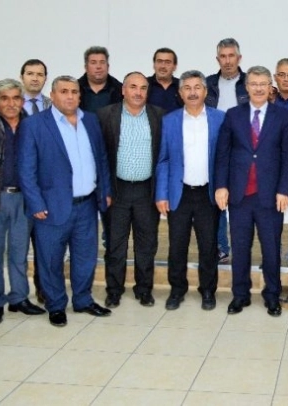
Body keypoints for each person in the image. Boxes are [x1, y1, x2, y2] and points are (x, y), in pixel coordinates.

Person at [18, 75, 113, 327]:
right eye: (64, 91)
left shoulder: (90, 120)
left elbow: (101, 159)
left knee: (85, 257)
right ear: (53, 95)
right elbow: (26, 169)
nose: (70, 96)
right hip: (51, 207)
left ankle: (83, 300)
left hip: (87, 205)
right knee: (51, 260)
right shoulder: (35, 125)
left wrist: (104, 191)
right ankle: (56, 305)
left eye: (74, 91)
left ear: (80, 96)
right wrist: (36, 203)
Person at [215, 66, 288, 317]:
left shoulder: (283, 117)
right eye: (254, 84)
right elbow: (223, 154)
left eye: (263, 84)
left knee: (271, 249)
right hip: (239, 196)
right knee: (240, 249)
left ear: (270, 87)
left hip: (270, 196)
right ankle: (240, 295)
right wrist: (221, 186)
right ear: (246, 87)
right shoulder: (233, 115)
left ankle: (272, 295)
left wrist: (284, 189)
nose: (259, 88)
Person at [0, 79, 46, 326]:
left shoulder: (33, 125)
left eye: (16, 98)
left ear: (22, 100)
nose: (11, 103)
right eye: (4, 98)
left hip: (24, 199)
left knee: (19, 252)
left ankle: (19, 298)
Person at [155, 70, 224, 311]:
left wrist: (224, 187)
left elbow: (225, 158)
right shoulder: (170, 120)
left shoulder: (220, 119)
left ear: (205, 91)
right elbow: (163, 160)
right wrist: (161, 193)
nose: (192, 92)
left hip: (208, 194)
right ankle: (177, 290)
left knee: (208, 246)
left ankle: (208, 290)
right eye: (187, 88)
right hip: (179, 193)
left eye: (197, 87)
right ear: (180, 93)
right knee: (177, 246)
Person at [98, 72, 164, 308]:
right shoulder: (106, 115)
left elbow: (164, 156)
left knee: (146, 244)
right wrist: (104, 190)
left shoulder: (159, 116)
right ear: (123, 90)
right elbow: (100, 157)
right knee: (115, 244)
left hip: (147, 190)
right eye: (133, 87)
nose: (138, 92)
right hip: (117, 190)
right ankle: (114, 290)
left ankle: (144, 289)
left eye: (143, 88)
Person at [205, 38, 249, 264]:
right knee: (217, 197)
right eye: (223, 56)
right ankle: (221, 246)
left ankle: (242, 249)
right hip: (215, 146)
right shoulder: (208, 84)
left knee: (241, 201)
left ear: (239, 58)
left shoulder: (250, 82)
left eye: (232, 56)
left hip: (243, 148)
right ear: (217, 59)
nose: (228, 61)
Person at [19, 59, 51, 303]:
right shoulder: (11, 105)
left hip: (47, 188)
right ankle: (19, 293)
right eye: (30, 73)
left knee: (45, 245)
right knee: (19, 245)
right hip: (19, 188)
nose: (35, 78)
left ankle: (44, 288)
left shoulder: (54, 105)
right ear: (22, 77)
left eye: (40, 74)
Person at [77, 46, 123, 112]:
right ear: (86, 67)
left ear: (108, 66)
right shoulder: (75, 88)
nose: (98, 67)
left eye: (102, 62)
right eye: (93, 63)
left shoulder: (120, 89)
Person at [147, 47, 182, 113]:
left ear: (175, 67)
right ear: (154, 65)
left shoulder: (182, 86)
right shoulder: (144, 85)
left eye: (167, 62)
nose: (163, 66)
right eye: (159, 61)